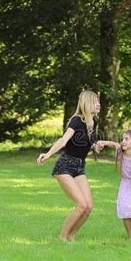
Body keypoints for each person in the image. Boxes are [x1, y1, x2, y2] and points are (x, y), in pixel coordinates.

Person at [37, 90, 102, 242]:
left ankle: (71, 235)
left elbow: (84, 141)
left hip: (80, 167)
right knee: (81, 205)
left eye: (98, 101)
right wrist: (48, 154)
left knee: (88, 206)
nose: (98, 104)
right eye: (94, 102)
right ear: (86, 103)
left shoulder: (94, 121)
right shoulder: (76, 121)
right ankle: (62, 237)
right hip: (65, 166)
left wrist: (94, 146)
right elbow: (64, 140)